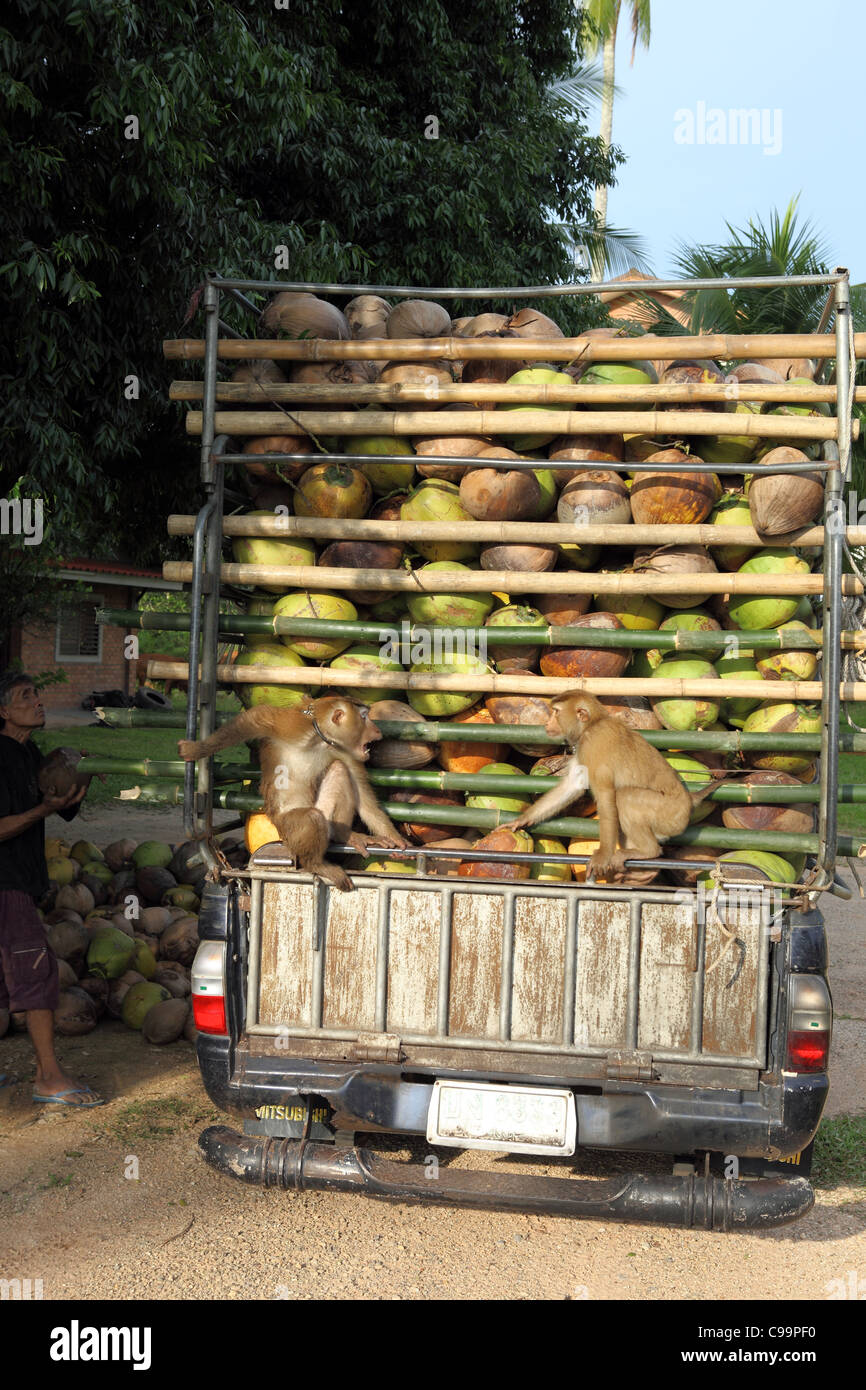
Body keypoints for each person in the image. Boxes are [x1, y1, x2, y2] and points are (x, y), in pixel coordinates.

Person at [0, 671, 105, 1106]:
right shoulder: (0, 757)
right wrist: (43, 807)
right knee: (36, 973)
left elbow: (58, 813)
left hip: (18, 882)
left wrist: (79, 780)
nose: (38, 701)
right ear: (4, 711)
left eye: (38, 695)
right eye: (27, 697)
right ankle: (48, 1076)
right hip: (6, 885)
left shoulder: (30, 753)